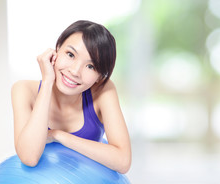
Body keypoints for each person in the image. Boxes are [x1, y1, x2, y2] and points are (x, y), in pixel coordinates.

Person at [11, 20, 131, 174]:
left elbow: (123, 161)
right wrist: (47, 82)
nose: (75, 71)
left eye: (90, 66)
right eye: (70, 54)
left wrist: (58, 135)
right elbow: (29, 157)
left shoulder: (103, 91)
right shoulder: (23, 90)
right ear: (57, 49)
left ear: (99, 76)